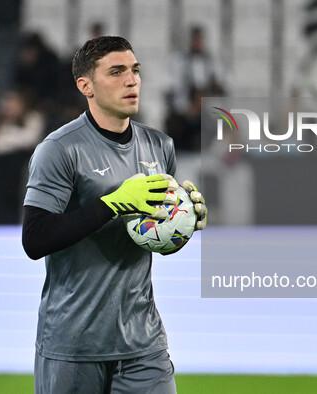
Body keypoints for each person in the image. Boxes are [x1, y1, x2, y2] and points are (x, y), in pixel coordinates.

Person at [21, 36, 207, 394]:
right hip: (73, 345)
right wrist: (112, 203)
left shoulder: (159, 146)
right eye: (117, 72)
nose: (132, 80)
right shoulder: (59, 150)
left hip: (143, 343)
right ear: (85, 86)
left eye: (135, 71)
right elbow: (35, 238)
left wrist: (179, 222)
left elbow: (145, 240)